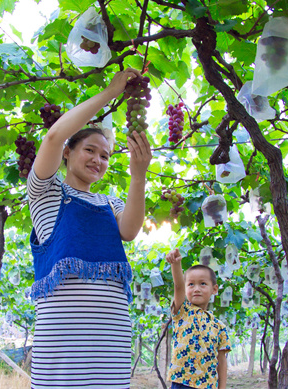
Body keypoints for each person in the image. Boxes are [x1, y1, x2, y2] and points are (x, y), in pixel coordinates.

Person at [27, 68, 152, 389]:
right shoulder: (46, 193)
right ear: (68, 153)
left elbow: (130, 231)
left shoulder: (110, 203)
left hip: (110, 339)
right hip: (62, 347)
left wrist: (139, 175)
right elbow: (53, 137)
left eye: (106, 156)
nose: (99, 159)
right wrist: (112, 92)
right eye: (90, 150)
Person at [165, 248, 231, 389]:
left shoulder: (219, 326)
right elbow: (178, 286)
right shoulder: (182, 311)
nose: (196, 289)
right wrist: (176, 264)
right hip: (182, 382)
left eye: (202, 284)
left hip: (208, 385)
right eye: (191, 284)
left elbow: (222, 360)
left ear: (214, 289)